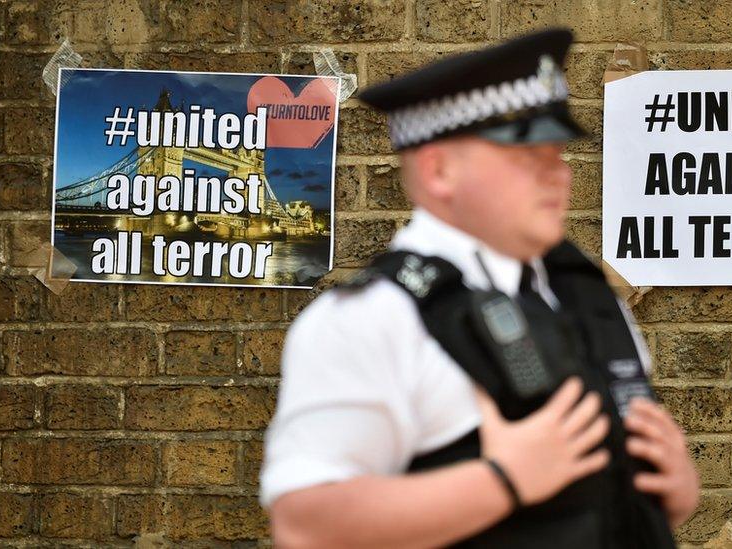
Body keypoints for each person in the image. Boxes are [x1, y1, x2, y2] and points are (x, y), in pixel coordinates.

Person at [260, 28, 701, 548]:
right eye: (527, 158)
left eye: (557, 155)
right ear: (440, 170)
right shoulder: (373, 318)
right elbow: (306, 524)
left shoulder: (585, 293)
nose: (558, 176)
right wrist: (502, 481)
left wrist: (671, 495)